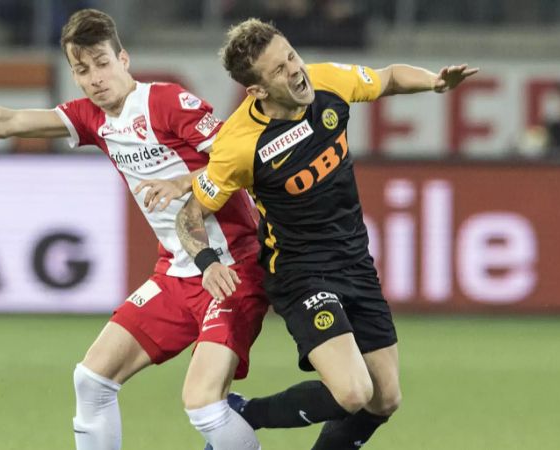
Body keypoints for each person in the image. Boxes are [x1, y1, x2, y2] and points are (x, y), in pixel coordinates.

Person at [0, 9, 268, 450]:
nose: (95, 79)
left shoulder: (166, 102)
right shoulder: (91, 118)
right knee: (91, 379)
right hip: (177, 275)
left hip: (231, 269)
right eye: (82, 70)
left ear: (123, 59)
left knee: (203, 405)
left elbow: (240, 156)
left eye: (102, 63)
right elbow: (6, 122)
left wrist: (184, 183)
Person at [175, 19, 477, 449]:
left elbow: (388, 78)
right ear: (257, 90)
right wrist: (205, 262)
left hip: (356, 261)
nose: (297, 70)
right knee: (353, 392)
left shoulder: (328, 82)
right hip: (301, 272)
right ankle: (245, 413)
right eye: (279, 70)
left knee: (385, 399)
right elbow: (190, 214)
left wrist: (434, 83)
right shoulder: (239, 144)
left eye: (291, 56)